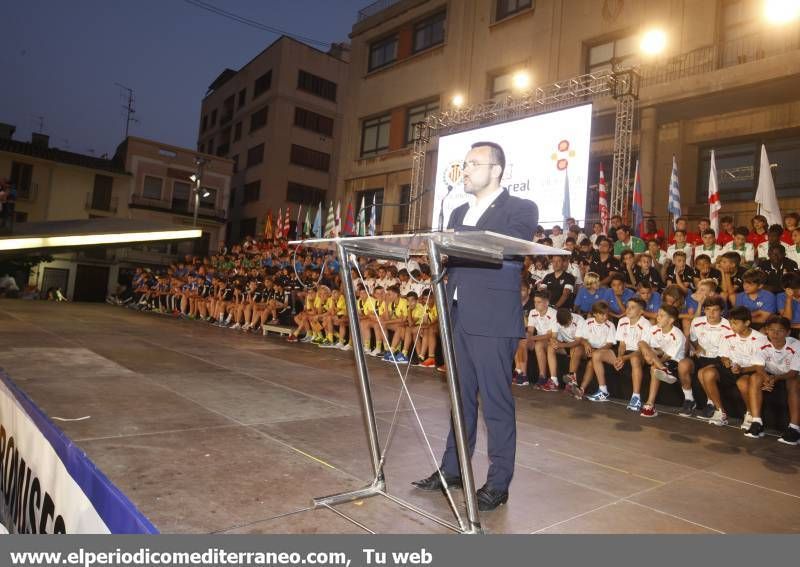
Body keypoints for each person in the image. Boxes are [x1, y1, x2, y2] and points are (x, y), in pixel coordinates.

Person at [412, 141, 539, 512]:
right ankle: (453, 469)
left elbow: (508, 250)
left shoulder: (521, 208)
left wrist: (453, 246)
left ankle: (499, 484)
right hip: (456, 316)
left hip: (492, 319)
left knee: (495, 404)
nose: (464, 171)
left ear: (496, 170)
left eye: (472, 164)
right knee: (459, 399)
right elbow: (455, 262)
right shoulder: (457, 211)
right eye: (464, 164)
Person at [697, 306, 767, 426]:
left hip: (749, 370)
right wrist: (726, 362)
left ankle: (750, 414)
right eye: (730, 323)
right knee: (707, 373)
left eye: (735, 323)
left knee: (743, 383)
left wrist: (742, 369)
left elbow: (759, 365)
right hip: (731, 368)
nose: (732, 326)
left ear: (747, 323)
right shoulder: (728, 334)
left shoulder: (760, 339)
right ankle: (720, 412)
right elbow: (723, 356)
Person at [742, 316, 799, 439]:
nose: (775, 334)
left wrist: (775, 378)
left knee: (793, 382)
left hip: (788, 375)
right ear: (766, 330)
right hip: (770, 374)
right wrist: (767, 378)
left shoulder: (796, 345)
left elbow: (793, 372)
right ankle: (757, 422)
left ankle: (794, 429)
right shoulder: (760, 342)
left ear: (788, 332)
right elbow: (759, 366)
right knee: (755, 378)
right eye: (772, 330)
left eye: (780, 330)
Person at [593, 297, 651, 411]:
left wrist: (624, 358)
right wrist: (619, 357)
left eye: (632, 307)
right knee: (597, 354)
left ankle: (636, 397)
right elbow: (622, 344)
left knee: (634, 359)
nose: (628, 310)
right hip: (624, 353)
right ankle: (603, 390)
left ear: (641, 311)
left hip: (639, 354)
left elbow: (642, 350)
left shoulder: (646, 324)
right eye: (628, 306)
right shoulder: (622, 321)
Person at [638, 305, 688, 418]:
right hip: (658, 358)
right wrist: (649, 355)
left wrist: (654, 359)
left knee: (654, 368)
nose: (658, 318)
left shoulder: (677, 334)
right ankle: (663, 369)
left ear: (671, 320)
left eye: (661, 315)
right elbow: (646, 345)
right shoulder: (653, 329)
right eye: (658, 315)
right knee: (641, 343)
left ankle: (650, 405)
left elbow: (668, 356)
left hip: (674, 361)